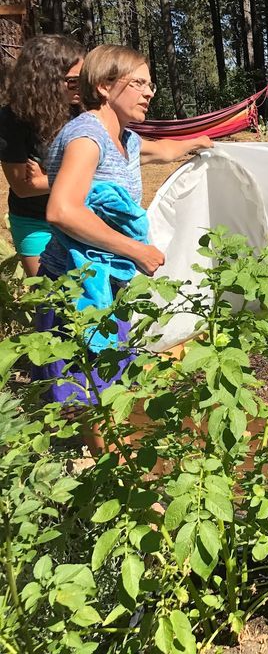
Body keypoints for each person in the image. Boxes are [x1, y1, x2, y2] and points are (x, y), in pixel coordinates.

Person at [37, 44, 213, 450]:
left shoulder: (126, 139)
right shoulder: (87, 137)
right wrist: (136, 250)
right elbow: (62, 210)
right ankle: (96, 475)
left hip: (105, 285)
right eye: (138, 83)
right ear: (103, 86)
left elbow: (165, 150)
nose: (149, 92)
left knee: (106, 381)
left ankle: (101, 467)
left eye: (150, 84)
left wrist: (202, 141)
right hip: (75, 287)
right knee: (82, 391)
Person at [0, 35, 85, 276]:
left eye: (84, 80)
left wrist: (44, 180)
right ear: (46, 80)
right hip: (35, 222)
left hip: (80, 216)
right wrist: (76, 176)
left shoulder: (83, 111)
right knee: (48, 299)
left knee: (87, 298)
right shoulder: (12, 119)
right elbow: (24, 187)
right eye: (73, 81)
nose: (82, 87)